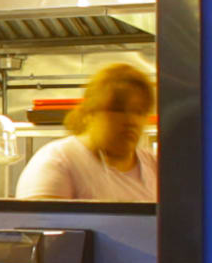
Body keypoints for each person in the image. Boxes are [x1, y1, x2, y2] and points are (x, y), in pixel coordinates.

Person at [18, 58, 159, 201]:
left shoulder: (156, 168)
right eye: (118, 110)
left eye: (139, 112)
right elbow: (39, 222)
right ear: (91, 112)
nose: (131, 120)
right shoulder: (59, 162)